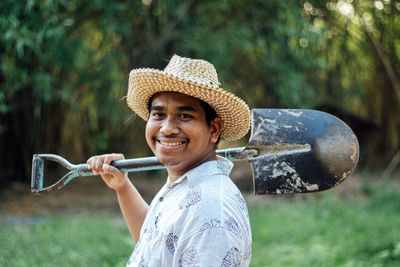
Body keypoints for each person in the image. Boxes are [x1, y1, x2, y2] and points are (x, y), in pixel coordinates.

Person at [87, 54, 252, 266]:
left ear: (214, 128)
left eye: (184, 116)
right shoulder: (186, 184)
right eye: (158, 115)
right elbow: (158, 246)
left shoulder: (211, 210)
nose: (166, 128)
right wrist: (123, 187)